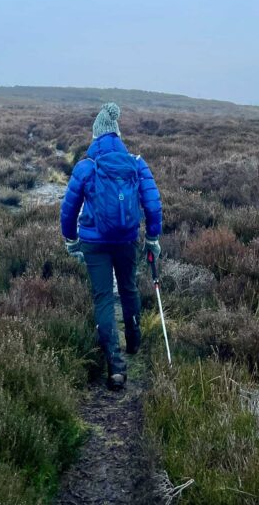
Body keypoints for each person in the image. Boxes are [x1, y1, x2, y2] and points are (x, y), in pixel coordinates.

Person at [60, 102, 162, 390]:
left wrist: (71, 240)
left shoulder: (86, 166)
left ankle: (115, 368)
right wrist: (152, 238)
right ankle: (133, 340)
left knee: (103, 298)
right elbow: (153, 205)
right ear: (118, 134)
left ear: (95, 136)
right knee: (128, 289)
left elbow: (69, 208)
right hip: (126, 239)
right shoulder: (136, 162)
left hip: (94, 242)